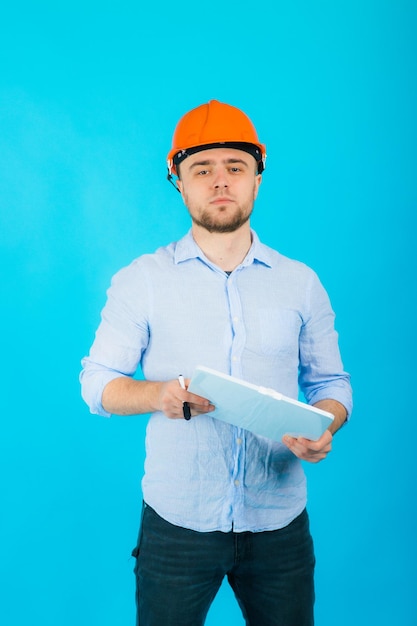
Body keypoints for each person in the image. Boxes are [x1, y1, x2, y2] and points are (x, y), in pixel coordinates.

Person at [80, 99, 352, 626]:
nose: (220, 181)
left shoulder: (301, 282)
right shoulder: (143, 279)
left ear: (257, 180)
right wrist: (158, 394)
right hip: (176, 526)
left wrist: (326, 424)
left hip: (279, 526)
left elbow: (332, 383)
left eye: (235, 167)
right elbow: (98, 382)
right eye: (202, 169)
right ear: (178, 181)